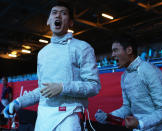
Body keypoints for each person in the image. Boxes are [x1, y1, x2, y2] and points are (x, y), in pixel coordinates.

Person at [3, 1, 101, 131]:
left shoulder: (82, 48)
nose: (58, 16)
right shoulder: (43, 53)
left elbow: (94, 86)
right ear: (48, 21)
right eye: (54, 13)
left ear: (71, 23)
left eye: (63, 13)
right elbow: (42, 90)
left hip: (70, 116)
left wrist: (62, 88)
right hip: (44, 117)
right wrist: (18, 102)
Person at [95, 37, 162, 131]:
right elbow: (127, 108)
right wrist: (109, 116)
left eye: (115, 50)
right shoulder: (124, 76)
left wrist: (141, 123)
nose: (112, 55)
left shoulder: (149, 71)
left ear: (129, 50)